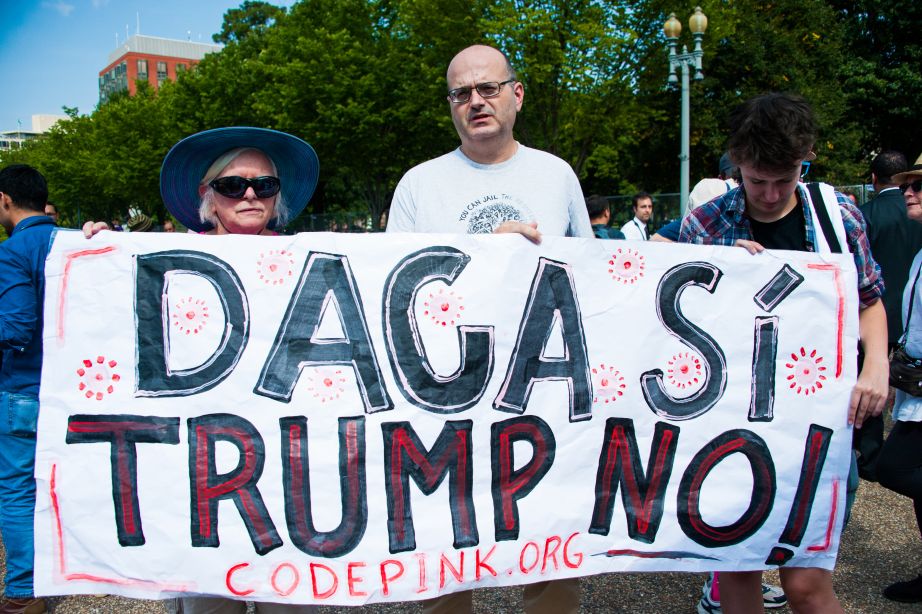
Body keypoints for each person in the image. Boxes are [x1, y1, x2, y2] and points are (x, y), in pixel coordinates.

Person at [388, 44, 592, 614]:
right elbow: (391, 296)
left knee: (551, 543)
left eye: (488, 89)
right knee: (446, 545)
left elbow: (594, 280)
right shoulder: (418, 186)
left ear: (516, 94)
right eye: (461, 94)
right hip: (445, 396)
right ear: (450, 106)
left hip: (542, 394)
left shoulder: (557, 175)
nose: (476, 101)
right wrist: (483, 254)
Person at [86, 127, 320, 613]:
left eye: (265, 185)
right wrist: (99, 258)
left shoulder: (308, 259)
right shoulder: (156, 264)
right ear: (207, 196)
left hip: (288, 478)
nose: (251, 194)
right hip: (197, 482)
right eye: (234, 185)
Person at [680, 93, 887, 614]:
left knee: (806, 584)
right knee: (739, 577)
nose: (770, 195)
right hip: (730, 424)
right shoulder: (705, 227)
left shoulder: (837, 214)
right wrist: (716, 276)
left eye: (784, 179)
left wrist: (878, 366)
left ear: (805, 160)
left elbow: (869, 301)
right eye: (756, 181)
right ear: (736, 166)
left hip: (818, 426)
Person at [0, 164, 56, 614]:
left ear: (5, 200)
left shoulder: (12, 252)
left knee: (18, 489)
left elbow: (17, 326)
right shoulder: (75, 241)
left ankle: (24, 591)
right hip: (74, 390)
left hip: (25, 388)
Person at [877, 153, 922, 603]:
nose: (907, 191)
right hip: (915, 384)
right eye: (908, 185)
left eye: (919, 186)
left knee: (893, 467)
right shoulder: (921, 251)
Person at [652, 154, 740, 242]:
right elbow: (656, 239)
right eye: (734, 177)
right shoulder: (692, 223)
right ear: (720, 179)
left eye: (739, 178)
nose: (737, 183)